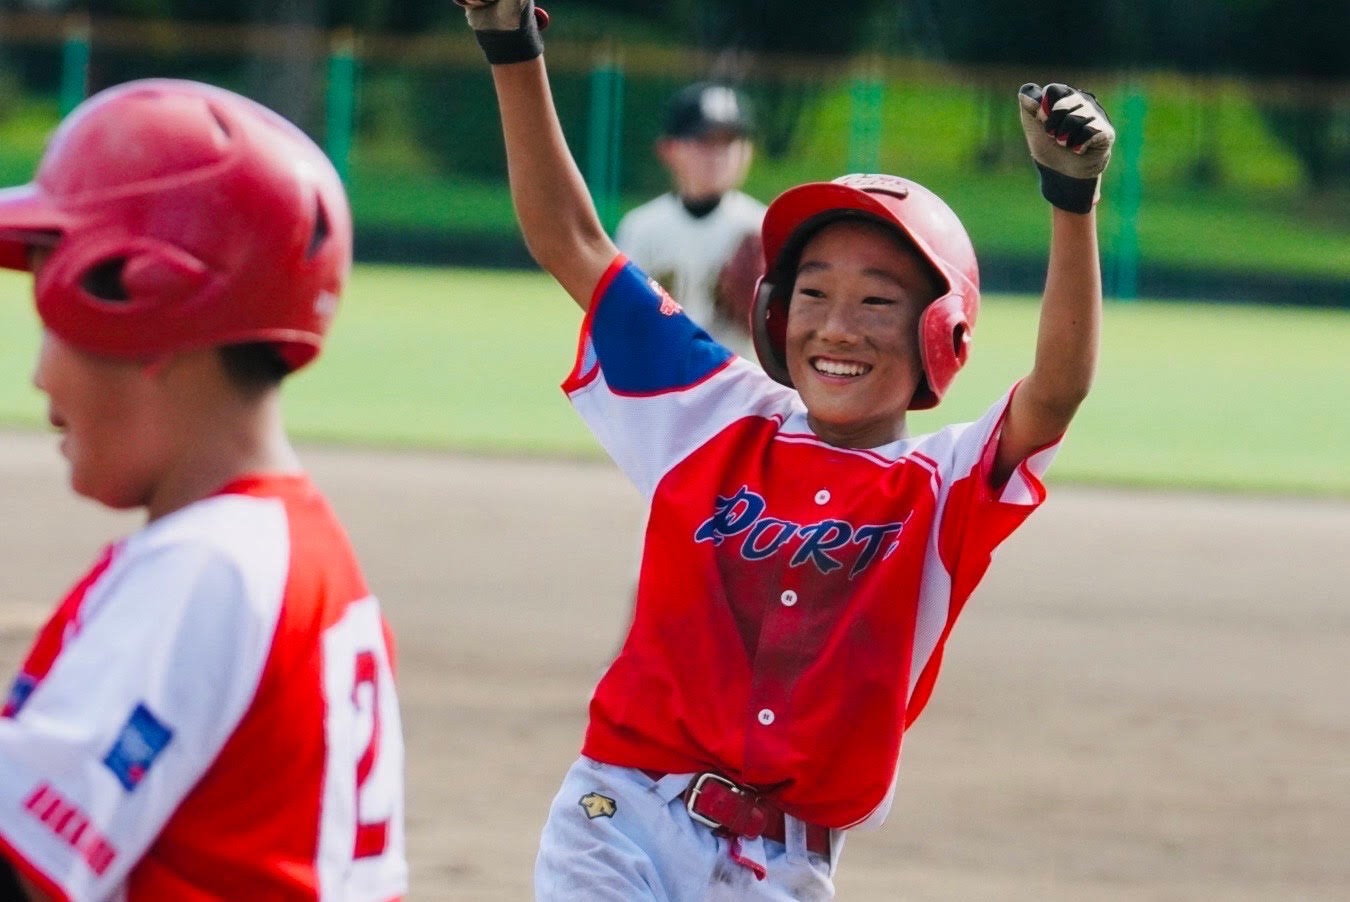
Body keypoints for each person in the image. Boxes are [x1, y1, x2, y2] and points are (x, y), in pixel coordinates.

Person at [456, 2, 1114, 898]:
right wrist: (510, 46)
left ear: (941, 332)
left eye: (878, 301)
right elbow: (570, 241)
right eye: (812, 293)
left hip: (784, 866)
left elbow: (1056, 392)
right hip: (619, 822)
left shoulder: (943, 487)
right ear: (773, 311)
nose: (836, 327)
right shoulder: (712, 413)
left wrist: (1070, 204)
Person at [0, 80, 407, 900]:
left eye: (53, 319)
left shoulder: (209, 567)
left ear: (143, 315)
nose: (40, 374)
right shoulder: (286, 545)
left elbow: (25, 872)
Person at [614, 81, 766, 358]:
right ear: (668, 149)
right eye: (705, 141)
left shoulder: (762, 227)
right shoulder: (642, 228)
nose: (719, 155)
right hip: (664, 385)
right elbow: (623, 322)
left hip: (741, 386)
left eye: (730, 142)